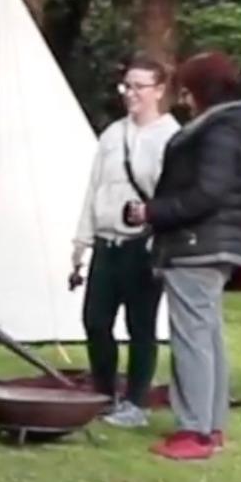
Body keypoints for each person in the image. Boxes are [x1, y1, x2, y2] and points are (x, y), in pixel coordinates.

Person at [124, 50, 241, 462]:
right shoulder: (239, 128)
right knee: (208, 335)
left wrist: (152, 212)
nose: (184, 100)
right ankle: (212, 424)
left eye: (187, 91)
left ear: (203, 90)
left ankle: (194, 430)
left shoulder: (218, 132)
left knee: (192, 337)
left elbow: (207, 193)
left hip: (196, 243)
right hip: (214, 242)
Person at [73, 55, 177, 429]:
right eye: (126, 86)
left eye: (138, 87)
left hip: (142, 243)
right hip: (106, 241)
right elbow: (94, 188)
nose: (130, 94)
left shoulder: (170, 137)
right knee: (96, 320)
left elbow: (172, 196)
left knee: (141, 325)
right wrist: (81, 240)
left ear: (159, 91)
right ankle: (104, 393)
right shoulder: (112, 134)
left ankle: (136, 402)